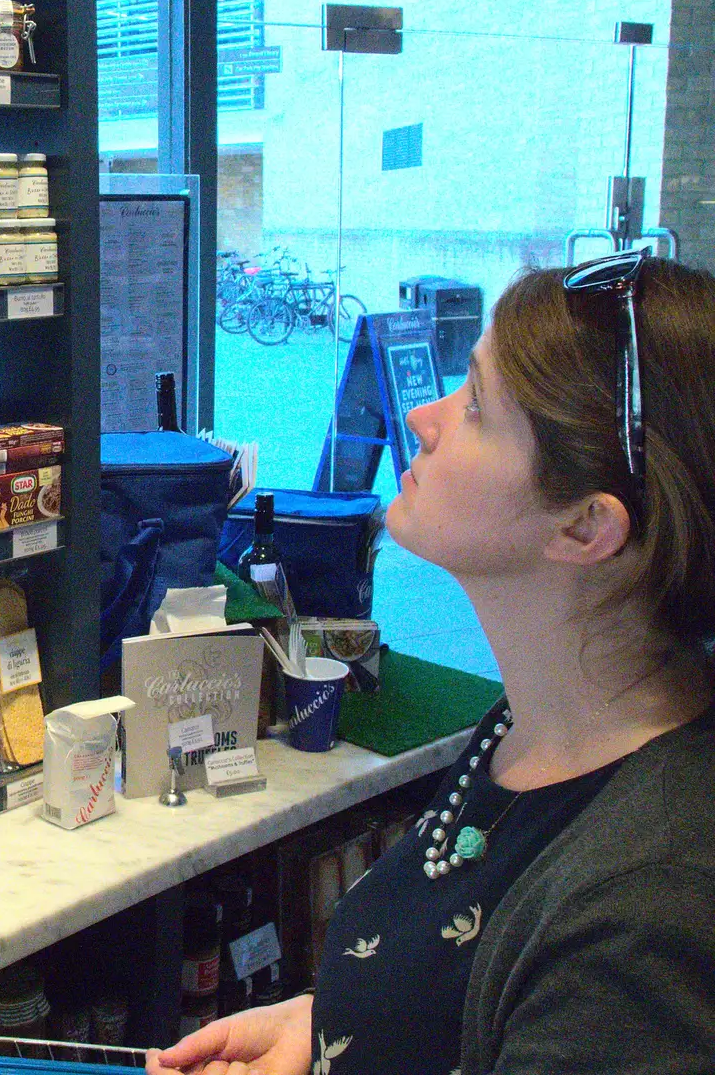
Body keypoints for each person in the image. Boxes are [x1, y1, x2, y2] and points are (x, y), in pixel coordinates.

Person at [148, 252, 715, 1075]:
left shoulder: (647, 915)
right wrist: (335, 1032)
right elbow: (473, 997)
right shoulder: (537, 728)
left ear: (586, 528)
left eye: (478, 406)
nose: (423, 416)